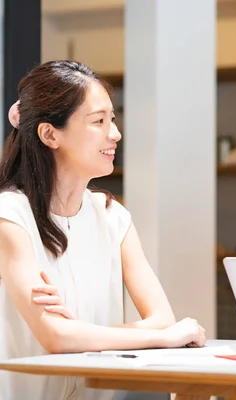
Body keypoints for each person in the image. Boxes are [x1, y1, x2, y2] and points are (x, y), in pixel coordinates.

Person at [0, 60, 205, 400]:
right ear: (50, 134)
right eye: (99, 121)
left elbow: (162, 318)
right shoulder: (10, 216)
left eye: (113, 118)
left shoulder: (113, 218)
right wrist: (159, 336)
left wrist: (76, 331)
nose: (115, 133)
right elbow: (55, 338)